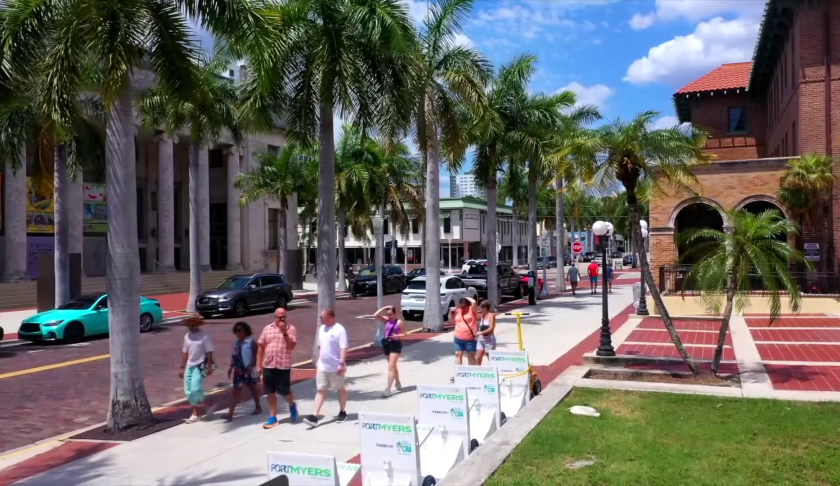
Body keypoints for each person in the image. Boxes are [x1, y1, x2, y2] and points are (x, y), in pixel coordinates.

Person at [303, 308, 348, 428]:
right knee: (321, 390)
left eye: (322, 317)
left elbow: (343, 348)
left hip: (335, 367)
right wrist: (318, 359)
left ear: (329, 317)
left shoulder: (339, 330)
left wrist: (341, 363)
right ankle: (314, 416)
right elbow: (320, 346)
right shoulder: (322, 329)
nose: (321, 319)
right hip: (323, 366)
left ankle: (342, 411)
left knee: (340, 388)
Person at [256, 308, 299, 429]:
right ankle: (272, 417)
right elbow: (261, 347)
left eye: (284, 317)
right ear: (275, 317)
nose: (282, 319)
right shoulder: (267, 329)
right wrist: (258, 365)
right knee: (270, 392)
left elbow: (291, 346)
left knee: (284, 391)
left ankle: (292, 404)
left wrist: (284, 332)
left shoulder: (291, 329)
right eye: (280, 317)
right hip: (269, 365)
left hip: (283, 365)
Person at [179, 315, 216, 423]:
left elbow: (209, 352)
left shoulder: (204, 336)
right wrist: (182, 367)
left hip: (200, 365)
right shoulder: (187, 336)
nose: (191, 327)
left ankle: (209, 404)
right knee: (188, 391)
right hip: (190, 365)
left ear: (198, 324)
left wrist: (209, 367)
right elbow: (185, 352)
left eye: (193, 324)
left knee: (195, 388)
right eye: (189, 325)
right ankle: (196, 413)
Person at [225, 322, 262, 422]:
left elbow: (256, 355)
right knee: (236, 390)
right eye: (236, 330)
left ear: (245, 331)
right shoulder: (236, 343)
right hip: (238, 370)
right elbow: (234, 356)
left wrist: (252, 366)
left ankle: (258, 406)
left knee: (253, 389)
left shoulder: (251, 342)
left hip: (248, 369)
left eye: (240, 330)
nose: (238, 332)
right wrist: (230, 367)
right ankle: (230, 414)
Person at [374, 305, 405, 397]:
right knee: (393, 366)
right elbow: (375, 315)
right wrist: (384, 308)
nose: (389, 316)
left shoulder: (399, 322)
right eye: (387, 314)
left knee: (391, 366)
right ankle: (398, 383)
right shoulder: (386, 320)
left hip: (395, 344)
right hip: (387, 344)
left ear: (395, 313)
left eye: (391, 314)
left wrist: (398, 336)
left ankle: (388, 389)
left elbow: (405, 334)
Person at [449, 297, 478, 381]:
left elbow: (474, 302)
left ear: (468, 306)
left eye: (464, 306)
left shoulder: (472, 311)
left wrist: (466, 297)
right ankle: (457, 373)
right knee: (458, 354)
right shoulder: (458, 311)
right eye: (461, 306)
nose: (463, 308)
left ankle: (472, 373)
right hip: (458, 337)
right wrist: (451, 312)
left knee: (471, 355)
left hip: (470, 338)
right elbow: (451, 320)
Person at [475, 299, 496, 365]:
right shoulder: (482, 316)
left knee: (490, 359)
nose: (480, 309)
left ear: (485, 308)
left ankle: (493, 371)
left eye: (481, 307)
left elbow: (491, 328)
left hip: (489, 341)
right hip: (481, 340)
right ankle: (478, 372)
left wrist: (481, 332)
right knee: (478, 358)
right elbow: (481, 327)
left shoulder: (491, 316)